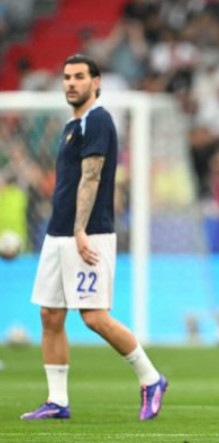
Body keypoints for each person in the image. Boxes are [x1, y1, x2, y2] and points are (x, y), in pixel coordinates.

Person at [21, 54, 167, 421]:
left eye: (79, 77)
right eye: (67, 77)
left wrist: (80, 230)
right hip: (59, 233)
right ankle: (57, 401)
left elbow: (92, 176)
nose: (71, 83)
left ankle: (151, 379)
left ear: (96, 82)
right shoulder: (74, 123)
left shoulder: (98, 120)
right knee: (50, 315)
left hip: (88, 232)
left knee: (93, 316)